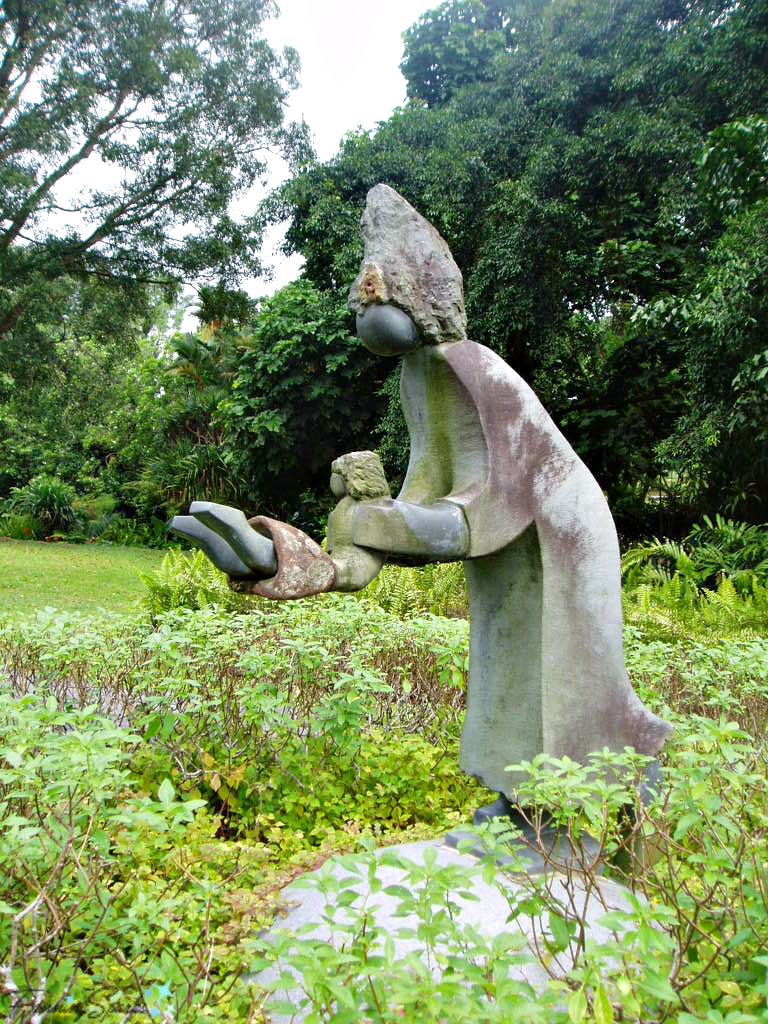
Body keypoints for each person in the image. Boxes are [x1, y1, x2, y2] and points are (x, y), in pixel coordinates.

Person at [172, 184, 671, 820]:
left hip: (561, 537)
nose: (366, 298)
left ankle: (583, 814)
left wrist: (378, 520)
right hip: (511, 544)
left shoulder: (473, 367)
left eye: (380, 284)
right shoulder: (419, 376)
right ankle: (524, 804)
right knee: (506, 655)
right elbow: (419, 503)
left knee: (563, 667)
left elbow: (482, 511)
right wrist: (295, 560)